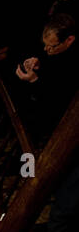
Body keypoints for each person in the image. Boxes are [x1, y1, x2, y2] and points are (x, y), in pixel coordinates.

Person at [12, 13, 79, 147]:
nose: (45, 49)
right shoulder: (54, 45)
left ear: (69, 40)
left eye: (51, 46)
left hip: (52, 120)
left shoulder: (74, 65)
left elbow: (56, 98)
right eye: (45, 44)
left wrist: (34, 80)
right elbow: (51, 63)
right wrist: (39, 62)